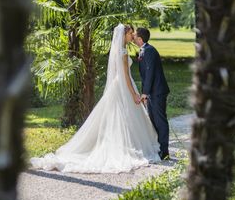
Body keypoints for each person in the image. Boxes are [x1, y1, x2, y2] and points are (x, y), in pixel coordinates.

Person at [30, 24, 160, 173]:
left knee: (120, 117)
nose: (133, 36)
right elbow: (125, 77)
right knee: (123, 116)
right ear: (124, 36)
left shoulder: (118, 50)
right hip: (123, 87)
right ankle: (124, 146)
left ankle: (121, 143)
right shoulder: (123, 52)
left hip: (117, 86)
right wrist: (134, 94)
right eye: (131, 33)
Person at [133, 27, 170, 160]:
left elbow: (150, 73)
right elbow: (145, 76)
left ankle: (164, 151)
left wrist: (145, 93)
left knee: (160, 121)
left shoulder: (149, 51)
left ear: (140, 39)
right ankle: (159, 148)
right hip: (152, 93)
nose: (132, 37)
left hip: (157, 92)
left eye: (134, 35)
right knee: (153, 120)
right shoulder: (144, 50)